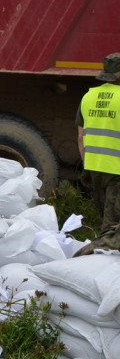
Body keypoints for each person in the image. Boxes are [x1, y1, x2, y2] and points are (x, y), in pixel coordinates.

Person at [74, 53, 120, 254]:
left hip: (94, 169)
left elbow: (80, 138)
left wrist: (88, 165)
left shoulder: (88, 97)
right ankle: (85, 256)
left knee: (107, 224)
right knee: (111, 232)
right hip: (117, 172)